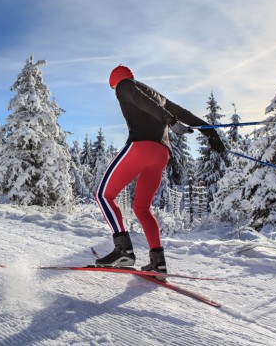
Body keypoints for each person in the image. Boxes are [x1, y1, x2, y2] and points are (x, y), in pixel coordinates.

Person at [95, 65, 226, 277]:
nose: (116, 92)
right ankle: (158, 262)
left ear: (114, 82)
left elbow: (140, 101)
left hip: (141, 147)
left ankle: (123, 251)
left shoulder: (124, 86)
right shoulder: (157, 96)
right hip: (161, 154)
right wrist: (211, 133)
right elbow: (184, 113)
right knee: (142, 208)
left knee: (103, 195)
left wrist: (170, 120)